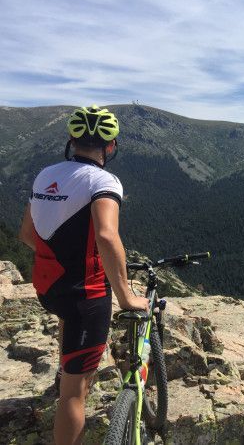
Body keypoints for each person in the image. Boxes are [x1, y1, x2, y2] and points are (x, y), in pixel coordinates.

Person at [19, 105, 149, 445]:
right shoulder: (104, 181)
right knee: (74, 394)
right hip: (85, 296)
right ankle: (69, 380)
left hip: (48, 287)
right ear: (111, 146)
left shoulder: (45, 174)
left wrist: (61, 258)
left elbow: (27, 235)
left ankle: (65, 366)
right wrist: (126, 297)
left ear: (72, 140)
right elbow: (107, 235)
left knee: (68, 324)